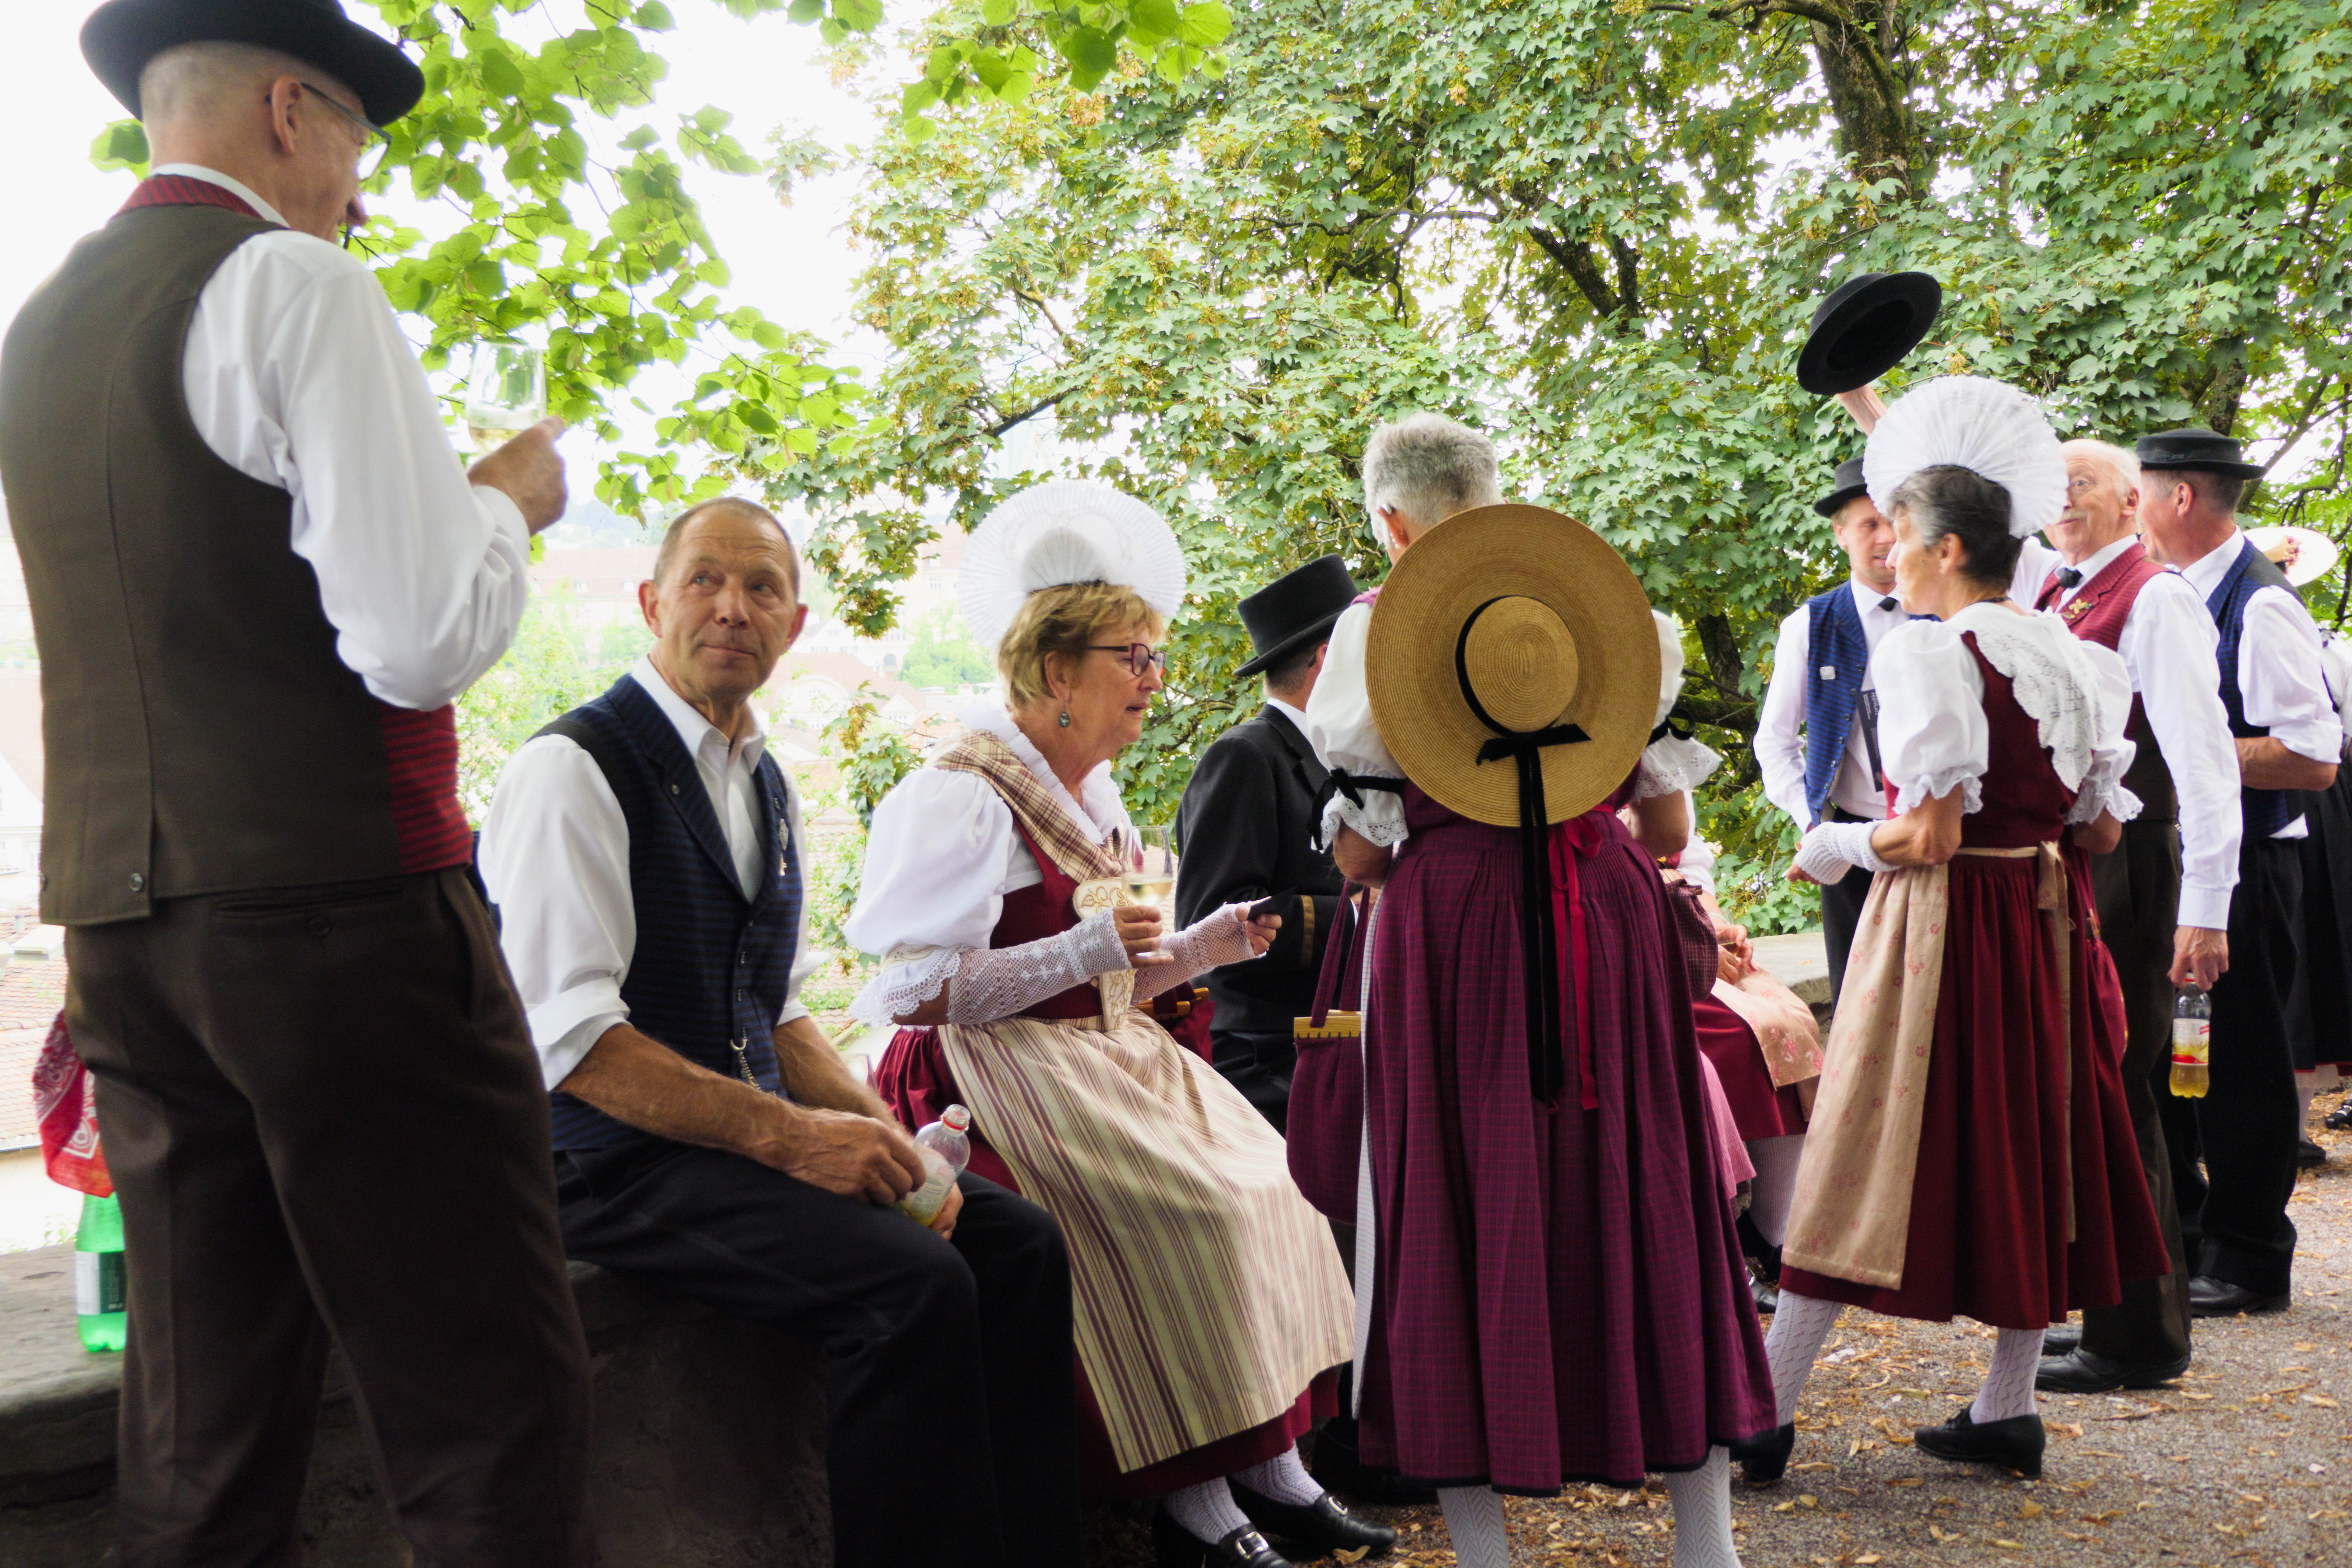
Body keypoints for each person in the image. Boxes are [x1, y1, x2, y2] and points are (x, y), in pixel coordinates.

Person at [0, 7, 595, 1560]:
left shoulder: (41, 329)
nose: (359, 191)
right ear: (287, 109)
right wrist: (507, 503)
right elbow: (412, 640)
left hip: (125, 941)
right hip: (343, 927)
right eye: (352, 144)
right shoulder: (298, 286)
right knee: (485, 1414)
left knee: (201, 1430)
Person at [480, 499, 1081, 1568]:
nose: (732, 607)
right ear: (650, 603)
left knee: (1018, 1243)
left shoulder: (762, 778)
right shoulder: (571, 771)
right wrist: (801, 1142)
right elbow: (572, 1042)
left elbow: (783, 1009)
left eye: (762, 588)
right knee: (911, 1288)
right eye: (705, 580)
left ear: (795, 625)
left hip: (728, 1141)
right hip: (604, 1164)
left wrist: (885, 1137)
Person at [847, 482, 1377, 1568]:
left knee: (1272, 1177)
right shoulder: (964, 791)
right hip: (988, 1072)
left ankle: (1274, 1469)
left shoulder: (1096, 785)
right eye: (1133, 656)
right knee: (1193, 1210)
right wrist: (1082, 953)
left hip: (1097, 1055)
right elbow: (903, 990)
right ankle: (1198, 1501)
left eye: (1154, 654)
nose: (1154, 678)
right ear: (1057, 671)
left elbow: (1116, 974)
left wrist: (1203, 947)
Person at [1305, 413, 1775, 1568]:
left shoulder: (1376, 641)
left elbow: (1364, 857)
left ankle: (1487, 1554)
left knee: (1459, 1204)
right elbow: (1665, 823)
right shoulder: (1600, 611)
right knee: (1645, 1185)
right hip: (1600, 906)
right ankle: (1705, 1542)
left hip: (1455, 927)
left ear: (1392, 520)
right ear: (1498, 498)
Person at [1753, 377, 2169, 1485]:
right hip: (2049, 928)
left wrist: (1840, 845)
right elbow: (2100, 832)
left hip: (1944, 926)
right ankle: (2007, 1403)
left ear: (1942, 546)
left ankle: (1764, 1409)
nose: (1883, 552)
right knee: (2039, 1139)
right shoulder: (2078, 655)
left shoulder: (1929, 651)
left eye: (1899, 536)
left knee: (1859, 1148)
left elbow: (1928, 835)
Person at [2027, 439, 2241, 1395]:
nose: (2062, 500)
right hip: (2083, 869)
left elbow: (2205, 763)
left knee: (2121, 1090)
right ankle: (2118, 1313)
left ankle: (2144, 1336)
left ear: (2130, 497)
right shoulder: (2059, 591)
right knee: (2096, 1089)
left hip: (2141, 875)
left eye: (2081, 483)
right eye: (2052, 487)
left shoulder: (2155, 598)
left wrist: (2207, 908)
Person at [2136, 432, 2344, 1318]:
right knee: (2176, 1056)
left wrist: (2190, 748)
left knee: (2245, 1062)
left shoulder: (2259, 606)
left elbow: (2314, 756)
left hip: (2254, 864)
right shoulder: (2178, 594)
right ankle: (2191, 1233)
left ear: (2181, 498)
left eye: (2139, 493)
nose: (2132, 512)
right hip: (2192, 857)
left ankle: (2253, 1255)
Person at [1655, 617, 1823, 1313]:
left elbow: (1684, 852)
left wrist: (1714, 919)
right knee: (1729, 1039)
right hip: (1631, 932)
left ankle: (1773, 1236)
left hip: (1678, 920)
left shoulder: (1650, 736)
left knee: (1787, 1018)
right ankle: (1732, 1237)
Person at [1174, 555, 1360, 1131]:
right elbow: (1214, 923)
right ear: (1328, 660)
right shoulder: (1246, 755)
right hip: (1268, 1057)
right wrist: (1364, 913)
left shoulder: (1341, 756)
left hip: (1337, 1039)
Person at [1756, 458, 1912, 997]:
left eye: (1896, 519)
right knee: (1857, 1005)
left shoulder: (1951, 611)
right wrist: (1813, 826)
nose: (1887, 536)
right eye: (1870, 523)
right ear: (1840, 533)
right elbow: (1774, 742)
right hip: (1850, 849)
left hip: (1944, 839)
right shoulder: (1808, 626)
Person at [2246, 526, 2352, 1168]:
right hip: (2283, 797)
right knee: (2289, 950)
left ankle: (2297, 1119)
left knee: (2315, 947)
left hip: (2321, 801)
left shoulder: (2333, 649)